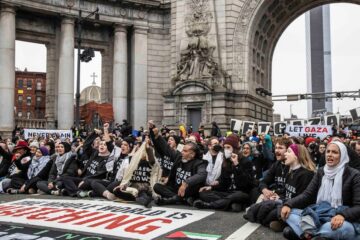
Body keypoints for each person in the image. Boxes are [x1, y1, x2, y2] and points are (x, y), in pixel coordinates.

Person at [281, 141, 360, 240]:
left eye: (335, 152)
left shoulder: (354, 175)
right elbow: (307, 194)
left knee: (344, 229)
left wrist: (342, 215)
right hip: (319, 214)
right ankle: (317, 235)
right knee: (288, 212)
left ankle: (307, 233)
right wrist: (289, 204)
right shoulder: (321, 171)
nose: (330, 155)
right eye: (328, 151)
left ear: (342, 155)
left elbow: (358, 206)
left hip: (340, 219)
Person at [193, 134, 256, 212]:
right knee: (204, 193)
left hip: (241, 192)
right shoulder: (226, 162)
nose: (226, 150)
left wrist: (237, 165)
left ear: (235, 149)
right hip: (227, 192)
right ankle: (231, 204)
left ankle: (210, 205)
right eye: (225, 147)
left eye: (228, 147)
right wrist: (211, 187)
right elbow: (224, 183)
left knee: (237, 195)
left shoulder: (246, 161)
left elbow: (247, 184)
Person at [113, 139, 161, 207]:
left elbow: (152, 159)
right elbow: (128, 176)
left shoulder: (151, 161)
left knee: (142, 192)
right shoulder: (132, 160)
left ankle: (144, 199)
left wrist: (147, 148)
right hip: (133, 186)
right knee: (116, 190)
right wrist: (123, 185)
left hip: (146, 186)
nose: (142, 153)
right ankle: (139, 197)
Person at [251, 137, 292, 203]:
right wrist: (265, 190)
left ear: (288, 151)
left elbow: (289, 190)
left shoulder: (292, 166)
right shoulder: (277, 164)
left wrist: (273, 194)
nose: (276, 151)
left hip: (284, 198)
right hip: (273, 194)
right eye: (276, 148)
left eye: (280, 148)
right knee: (254, 191)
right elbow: (264, 181)